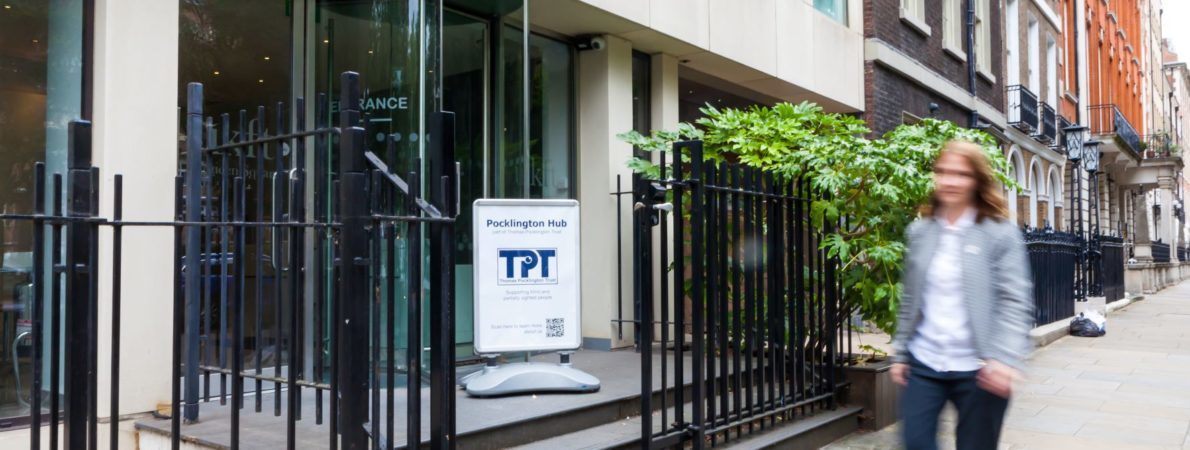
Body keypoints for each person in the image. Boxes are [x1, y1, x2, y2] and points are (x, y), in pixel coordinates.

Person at [890, 140, 1034, 450]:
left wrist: (1005, 359)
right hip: (925, 363)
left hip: (981, 369)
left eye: (961, 174)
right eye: (942, 172)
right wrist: (901, 352)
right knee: (915, 443)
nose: (949, 181)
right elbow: (910, 298)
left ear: (977, 181)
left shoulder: (1000, 233)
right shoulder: (921, 232)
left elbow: (1015, 300)